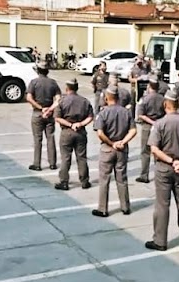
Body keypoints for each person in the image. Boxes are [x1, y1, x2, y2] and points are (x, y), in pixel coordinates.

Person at [145, 90, 179, 251]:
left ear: (165, 105)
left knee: (162, 205)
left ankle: (160, 241)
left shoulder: (159, 124)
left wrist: (171, 161)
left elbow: (154, 149)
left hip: (164, 168)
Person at [93, 86, 137, 217]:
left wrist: (111, 143)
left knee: (104, 179)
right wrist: (123, 142)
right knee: (122, 178)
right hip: (122, 150)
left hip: (107, 148)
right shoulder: (126, 112)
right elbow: (133, 130)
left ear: (106, 98)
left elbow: (100, 133)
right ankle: (125, 206)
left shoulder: (103, 113)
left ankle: (103, 208)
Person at [53, 78, 94, 191]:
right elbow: (90, 117)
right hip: (80, 132)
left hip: (67, 132)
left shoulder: (62, 101)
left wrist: (71, 125)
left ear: (67, 88)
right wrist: (80, 124)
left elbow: (57, 118)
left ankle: (64, 182)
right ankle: (84, 181)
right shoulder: (85, 101)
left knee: (66, 158)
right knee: (81, 157)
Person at [26, 61, 61, 171]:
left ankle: (37, 163)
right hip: (49, 114)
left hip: (37, 113)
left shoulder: (34, 82)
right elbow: (58, 99)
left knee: (38, 139)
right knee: (50, 138)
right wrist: (50, 109)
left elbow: (29, 98)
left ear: (38, 70)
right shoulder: (53, 82)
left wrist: (41, 108)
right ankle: (52, 163)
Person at [134, 76, 165, 184]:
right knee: (158, 151)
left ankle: (144, 175)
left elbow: (140, 115)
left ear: (149, 86)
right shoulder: (162, 98)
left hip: (147, 126)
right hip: (160, 126)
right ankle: (159, 174)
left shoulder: (145, 99)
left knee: (145, 151)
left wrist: (152, 122)